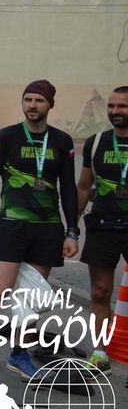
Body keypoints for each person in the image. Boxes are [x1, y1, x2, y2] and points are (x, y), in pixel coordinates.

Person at [0, 80, 78, 387]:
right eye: (28, 99)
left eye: (39, 100)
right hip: (11, 224)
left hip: (48, 228)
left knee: (32, 295)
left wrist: (72, 232)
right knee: (0, 288)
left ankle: (18, 354)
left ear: (49, 105)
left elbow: (68, 187)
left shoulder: (62, 141)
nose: (32, 105)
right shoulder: (6, 137)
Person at [76, 86, 128, 375]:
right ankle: (100, 354)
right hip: (103, 227)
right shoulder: (97, 142)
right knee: (99, 291)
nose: (115, 111)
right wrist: (71, 228)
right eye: (111, 105)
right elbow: (84, 186)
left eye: (122, 106)